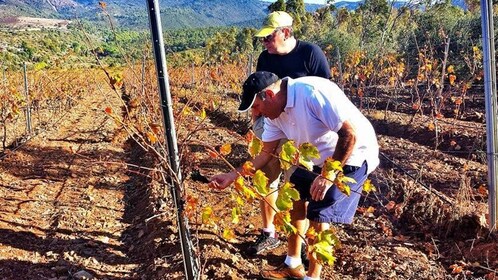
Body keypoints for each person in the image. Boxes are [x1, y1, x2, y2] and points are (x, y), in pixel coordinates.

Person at [209, 71, 379, 280]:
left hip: (351, 154)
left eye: (256, 106)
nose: (256, 114)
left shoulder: (311, 94)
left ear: (269, 96)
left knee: (318, 211)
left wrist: (328, 175)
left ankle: (313, 277)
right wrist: (231, 175)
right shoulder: (274, 116)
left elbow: (349, 134)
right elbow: (265, 155)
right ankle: (293, 263)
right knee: (295, 199)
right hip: (314, 159)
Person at [248, 10, 331, 257]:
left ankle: (302, 243)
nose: (264, 43)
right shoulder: (265, 58)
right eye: (262, 39)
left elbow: (325, 92)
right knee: (265, 177)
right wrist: (256, 122)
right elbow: (259, 93)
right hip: (273, 125)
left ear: (285, 32)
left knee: (300, 187)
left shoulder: (310, 54)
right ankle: (268, 232)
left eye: (268, 37)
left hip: (305, 133)